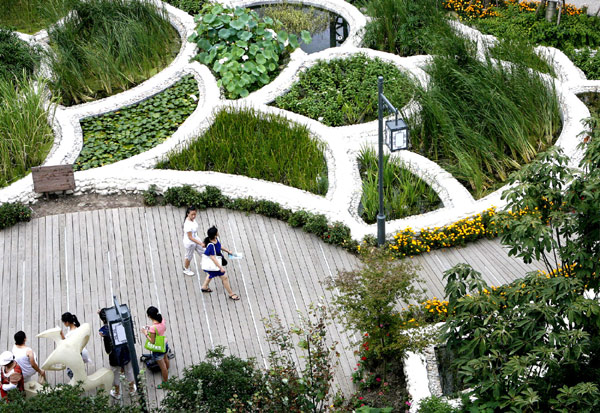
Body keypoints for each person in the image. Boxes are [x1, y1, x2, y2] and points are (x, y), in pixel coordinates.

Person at [97, 309, 135, 400]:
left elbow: (107, 348)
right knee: (129, 371)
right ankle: (132, 389)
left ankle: (117, 392)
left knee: (115, 374)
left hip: (114, 357)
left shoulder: (103, 331)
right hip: (126, 352)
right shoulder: (122, 324)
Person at [201, 226, 240, 301]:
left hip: (214, 264)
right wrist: (220, 267)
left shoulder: (216, 239)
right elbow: (213, 258)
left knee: (210, 274)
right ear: (215, 234)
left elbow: (219, 246)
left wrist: (228, 251)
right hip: (215, 264)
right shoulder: (211, 246)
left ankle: (204, 287)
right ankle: (231, 294)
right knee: (224, 277)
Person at [140, 306, 169, 384]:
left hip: (158, 349)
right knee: (165, 358)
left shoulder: (153, 328)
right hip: (164, 344)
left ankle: (165, 382)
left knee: (163, 367)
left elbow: (152, 341)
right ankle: (167, 369)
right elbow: (162, 329)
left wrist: (145, 333)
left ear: (149, 316)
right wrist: (150, 328)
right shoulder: (162, 320)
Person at [60, 312, 90, 379]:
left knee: (74, 376)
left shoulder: (72, 332)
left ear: (67, 322)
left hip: (75, 356)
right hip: (80, 355)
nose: (64, 324)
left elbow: (67, 344)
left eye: (64, 322)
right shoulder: (77, 329)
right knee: (80, 376)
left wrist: (62, 335)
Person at [182, 206, 205, 276]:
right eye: (192, 214)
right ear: (188, 214)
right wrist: (200, 243)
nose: (194, 216)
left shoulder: (193, 220)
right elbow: (190, 237)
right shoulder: (187, 224)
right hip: (190, 242)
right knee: (189, 256)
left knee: (204, 250)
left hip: (195, 237)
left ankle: (204, 262)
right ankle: (186, 269)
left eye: (195, 214)